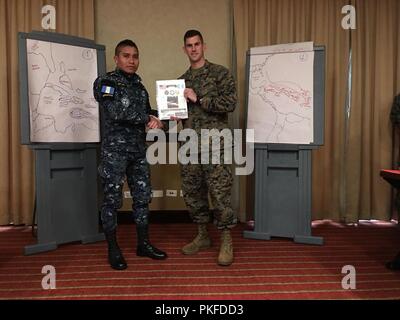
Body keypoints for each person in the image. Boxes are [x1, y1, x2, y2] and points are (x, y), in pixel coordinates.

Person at [93, 39, 167, 270]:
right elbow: (115, 111)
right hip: (114, 153)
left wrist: (164, 116)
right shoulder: (106, 82)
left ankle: (143, 244)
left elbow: (147, 112)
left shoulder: (140, 87)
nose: (131, 60)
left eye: (135, 56)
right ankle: (113, 248)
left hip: (137, 151)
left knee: (143, 198)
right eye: (126, 56)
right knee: (112, 201)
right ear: (116, 59)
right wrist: (147, 119)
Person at [174, 29, 238, 266]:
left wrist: (199, 99)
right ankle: (202, 236)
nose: (193, 49)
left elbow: (230, 103)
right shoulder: (179, 81)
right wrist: (167, 118)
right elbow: (177, 114)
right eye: (189, 45)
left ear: (204, 46)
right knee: (193, 192)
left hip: (216, 145)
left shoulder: (220, 73)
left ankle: (226, 239)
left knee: (220, 194)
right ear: (184, 49)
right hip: (189, 144)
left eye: (197, 44)